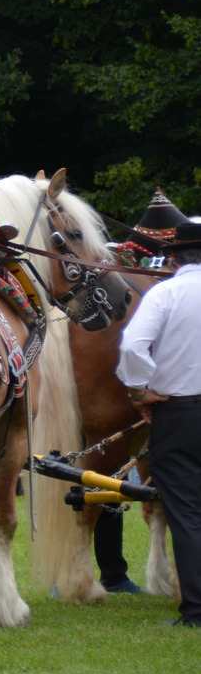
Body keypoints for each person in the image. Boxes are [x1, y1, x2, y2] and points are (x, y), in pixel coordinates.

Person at [117, 220, 201, 628]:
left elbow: (133, 345)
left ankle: (197, 609)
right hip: (180, 407)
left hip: (181, 412)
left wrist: (139, 391)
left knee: (185, 510)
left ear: (171, 256)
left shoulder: (164, 293)